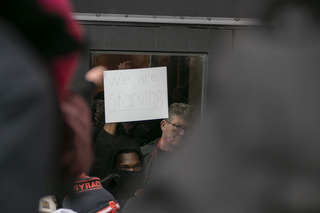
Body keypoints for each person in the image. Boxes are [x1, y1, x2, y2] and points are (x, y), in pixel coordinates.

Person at [140, 102, 195, 180]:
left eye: (187, 129)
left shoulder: (194, 160)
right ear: (163, 125)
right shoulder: (143, 156)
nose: (182, 133)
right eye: (177, 126)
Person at [101, 136, 145, 208]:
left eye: (136, 167)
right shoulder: (103, 198)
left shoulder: (149, 194)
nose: (132, 171)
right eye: (125, 168)